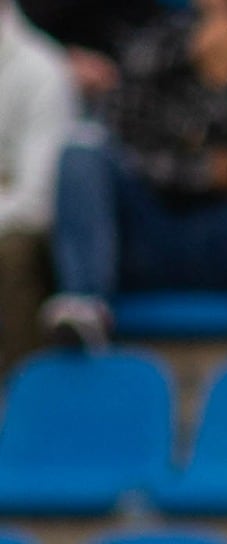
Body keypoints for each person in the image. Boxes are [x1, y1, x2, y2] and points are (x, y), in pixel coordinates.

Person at [40, 0, 227, 352]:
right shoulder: (155, 50)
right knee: (82, 150)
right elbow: (124, 131)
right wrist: (203, 170)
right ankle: (85, 305)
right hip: (155, 232)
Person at [0, 1, 74, 374]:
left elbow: (36, 202)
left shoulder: (42, 68)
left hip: (23, 226)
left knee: (11, 253)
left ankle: (20, 400)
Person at [17, 0, 161, 102]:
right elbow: (18, 32)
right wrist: (61, 58)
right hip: (56, 76)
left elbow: (153, 27)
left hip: (128, 80)